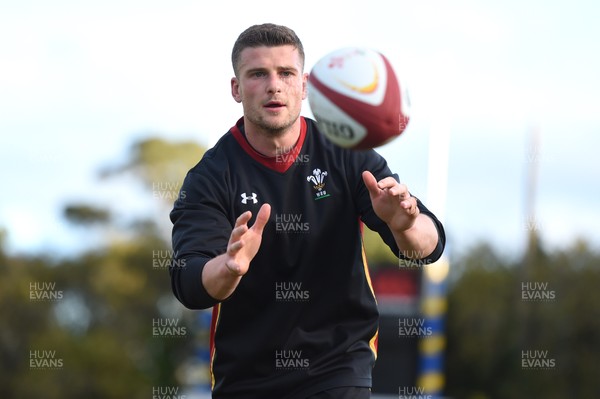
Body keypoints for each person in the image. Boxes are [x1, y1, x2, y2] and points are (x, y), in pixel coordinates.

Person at [169, 23, 445, 399]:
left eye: (286, 73)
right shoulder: (210, 177)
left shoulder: (347, 154)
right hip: (246, 377)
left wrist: (404, 223)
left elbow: (428, 247)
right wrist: (228, 268)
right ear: (236, 88)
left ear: (305, 85)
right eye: (257, 74)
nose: (274, 85)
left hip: (338, 364)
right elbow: (190, 282)